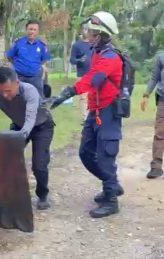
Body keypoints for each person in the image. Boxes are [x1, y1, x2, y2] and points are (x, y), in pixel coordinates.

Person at [50, 11, 124, 218]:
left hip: (109, 111)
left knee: (105, 155)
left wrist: (67, 93)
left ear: (102, 35)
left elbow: (93, 79)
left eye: (93, 32)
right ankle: (112, 184)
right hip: (96, 110)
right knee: (85, 152)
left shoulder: (111, 57)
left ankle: (111, 199)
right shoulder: (97, 52)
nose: (89, 35)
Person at [0, 66, 55, 210]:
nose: (5, 96)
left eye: (8, 91)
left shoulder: (29, 91)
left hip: (41, 126)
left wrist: (19, 137)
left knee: (39, 164)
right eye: (1, 91)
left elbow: (30, 120)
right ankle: (9, 196)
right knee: (5, 160)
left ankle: (42, 195)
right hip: (19, 126)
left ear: (17, 83)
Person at [7, 20, 51, 98]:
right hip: (19, 77)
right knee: (18, 100)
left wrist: (35, 67)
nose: (32, 32)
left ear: (38, 31)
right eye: (30, 29)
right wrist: (19, 66)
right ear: (26, 30)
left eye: (35, 30)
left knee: (39, 100)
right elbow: (10, 57)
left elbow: (44, 60)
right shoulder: (18, 43)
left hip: (35, 78)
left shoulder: (42, 45)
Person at [141, 52, 164, 179]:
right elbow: (155, 78)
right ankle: (156, 167)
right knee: (160, 133)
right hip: (163, 100)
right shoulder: (161, 57)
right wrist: (146, 95)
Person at [70, 24, 92, 122]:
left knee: (95, 96)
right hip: (82, 75)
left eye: (87, 29)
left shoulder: (94, 44)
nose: (85, 31)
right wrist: (79, 60)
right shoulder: (77, 45)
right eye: (83, 29)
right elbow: (72, 60)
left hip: (95, 74)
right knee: (84, 97)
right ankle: (85, 118)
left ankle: (94, 116)